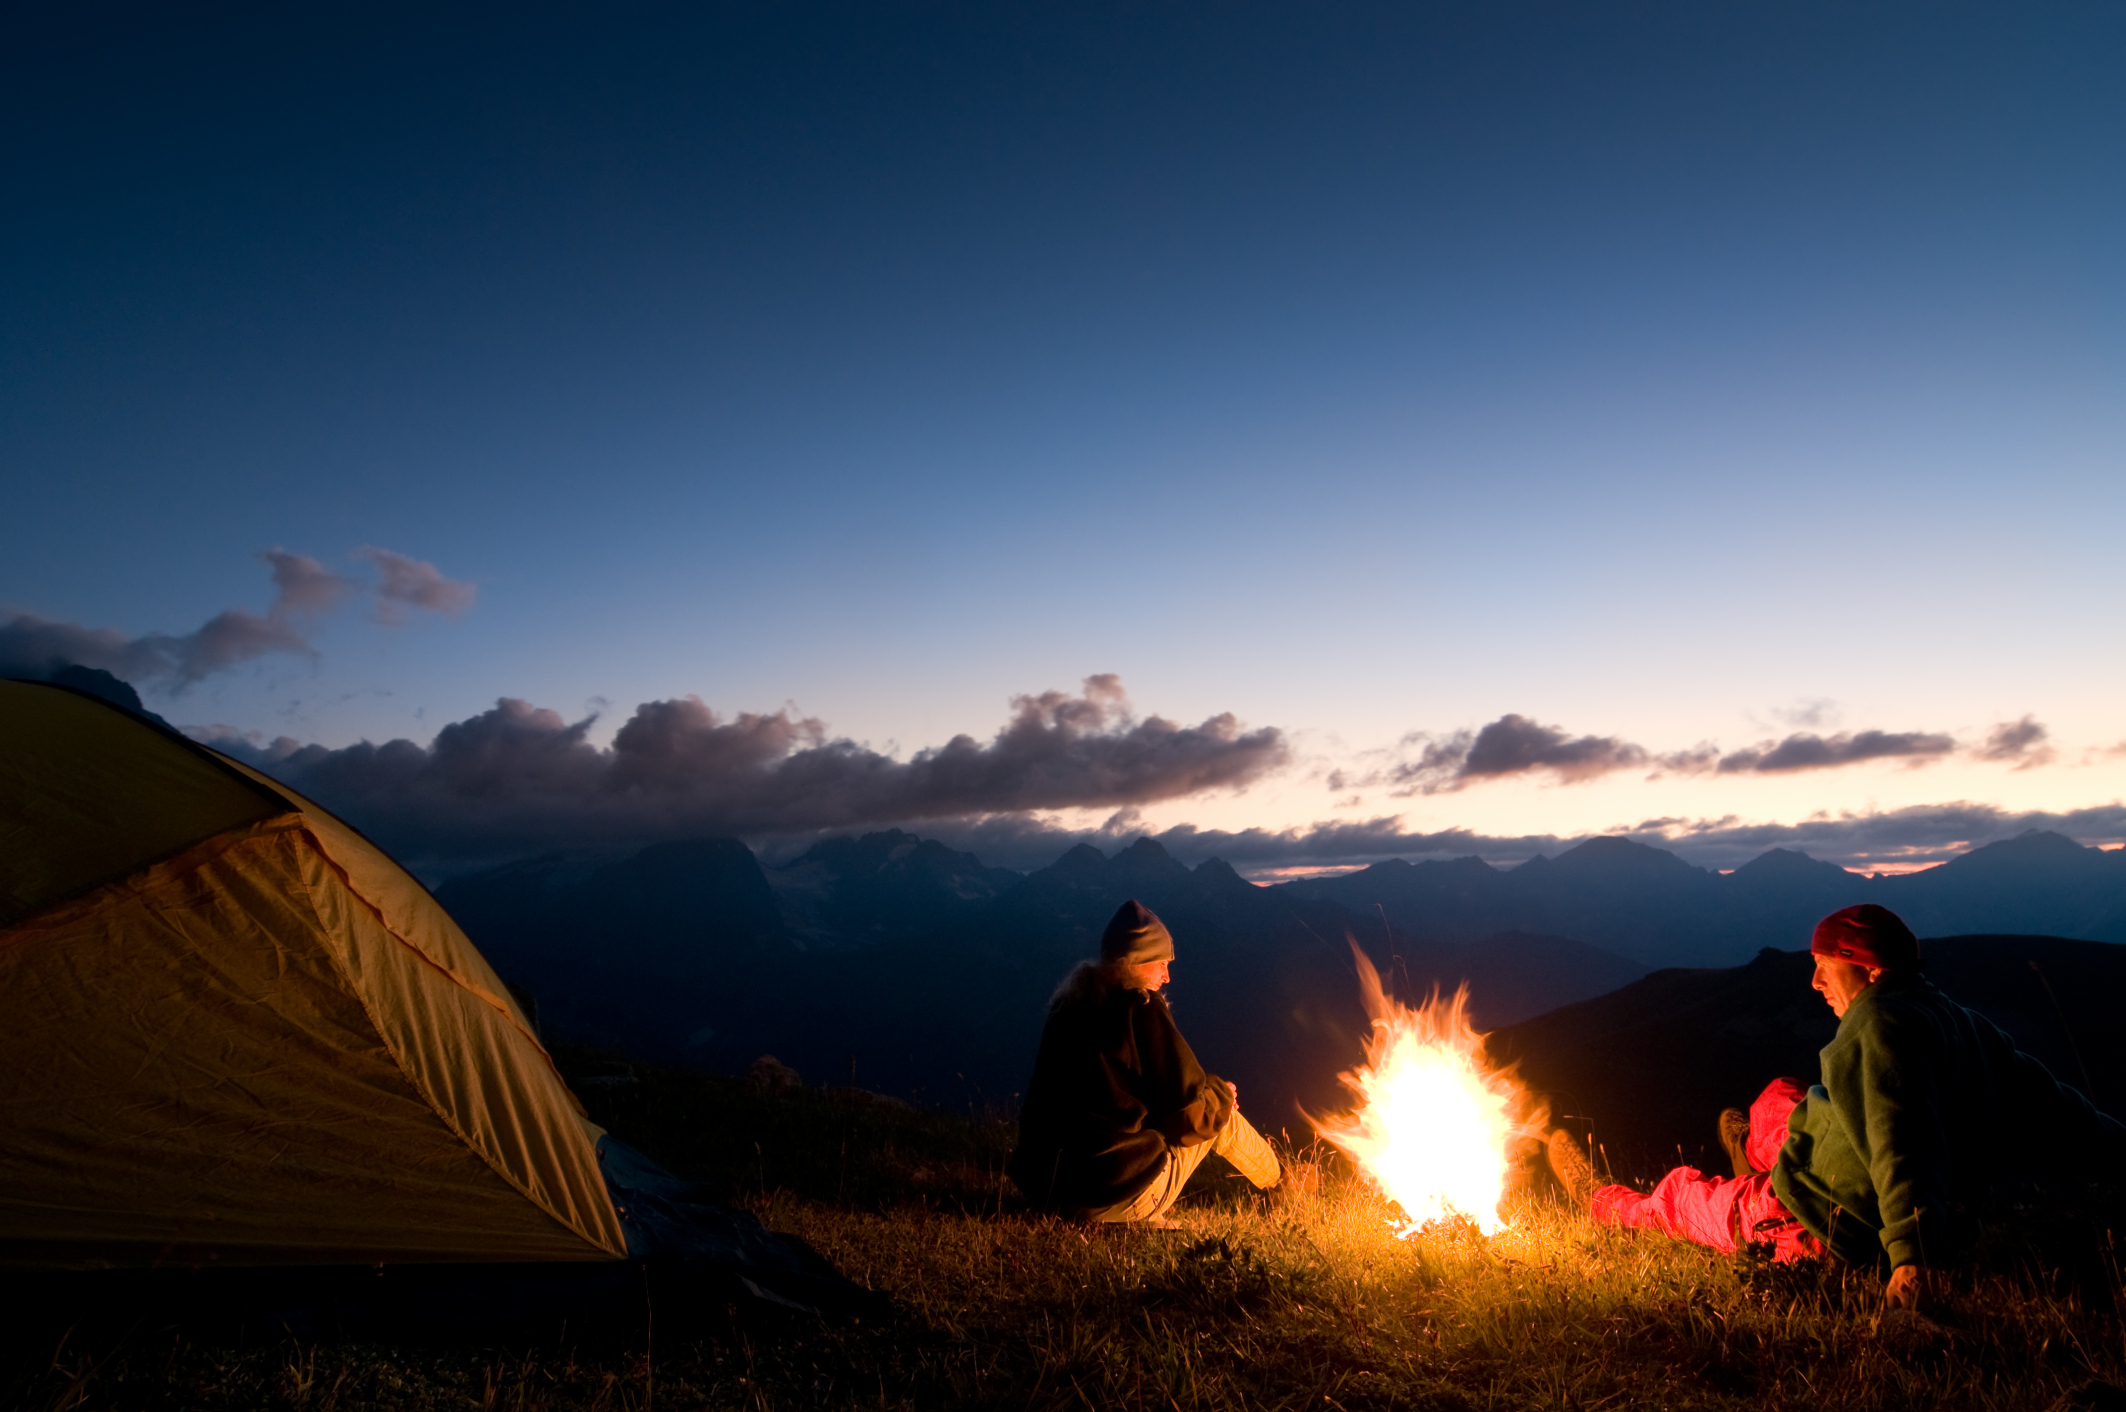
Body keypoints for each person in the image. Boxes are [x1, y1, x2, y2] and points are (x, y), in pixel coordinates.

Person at [1548, 903, 2126, 1309]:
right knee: (1780, 1096)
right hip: (1828, 1147)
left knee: (1677, 1194)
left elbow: (1906, 1140)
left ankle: (1599, 1197)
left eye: (1826, 967)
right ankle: (1758, 1143)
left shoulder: (1875, 1024)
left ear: (1868, 969)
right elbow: (2055, 1104)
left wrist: (1913, 1257)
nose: (1815, 982)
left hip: (1814, 1220)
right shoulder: (1956, 1018)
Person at [1009, 899, 1282, 1223]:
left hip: (1047, 1193)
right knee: (1222, 1116)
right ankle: (1283, 1187)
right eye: (1161, 964)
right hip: (1109, 1199)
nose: (1167, 976)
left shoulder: (1067, 1009)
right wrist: (1220, 1095)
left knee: (1208, 1098)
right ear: (1136, 962)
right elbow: (1189, 1119)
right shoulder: (1140, 1007)